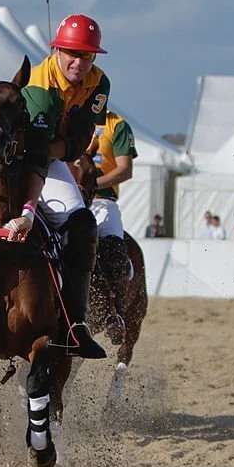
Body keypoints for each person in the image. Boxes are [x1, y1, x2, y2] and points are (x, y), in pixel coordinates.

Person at [0, 14, 110, 359]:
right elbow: (40, 154)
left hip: (45, 158)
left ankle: (75, 323)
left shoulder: (99, 83)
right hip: (0, 156)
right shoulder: (40, 89)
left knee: (83, 223)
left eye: (86, 55)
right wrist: (29, 206)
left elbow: (81, 138)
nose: (78, 62)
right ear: (57, 50)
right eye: (71, 53)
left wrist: (63, 149)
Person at [80, 108, 137, 340]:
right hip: (65, 197)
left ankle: (116, 314)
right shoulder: (64, 118)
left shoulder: (117, 125)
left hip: (102, 200)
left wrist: (89, 184)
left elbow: (125, 169)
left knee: (114, 252)